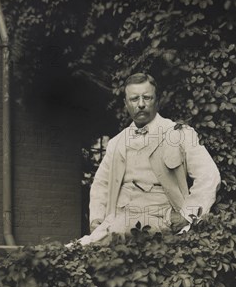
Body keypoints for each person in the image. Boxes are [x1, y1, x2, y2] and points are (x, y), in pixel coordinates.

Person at [78, 72, 220, 246]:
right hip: (118, 220)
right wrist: (97, 219)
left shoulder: (179, 133)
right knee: (82, 249)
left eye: (147, 98)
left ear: (157, 100)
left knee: (80, 249)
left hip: (162, 219)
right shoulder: (117, 143)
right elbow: (101, 185)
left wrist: (188, 215)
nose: (141, 104)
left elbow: (209, 175)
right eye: (134, 99)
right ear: (126, 103)